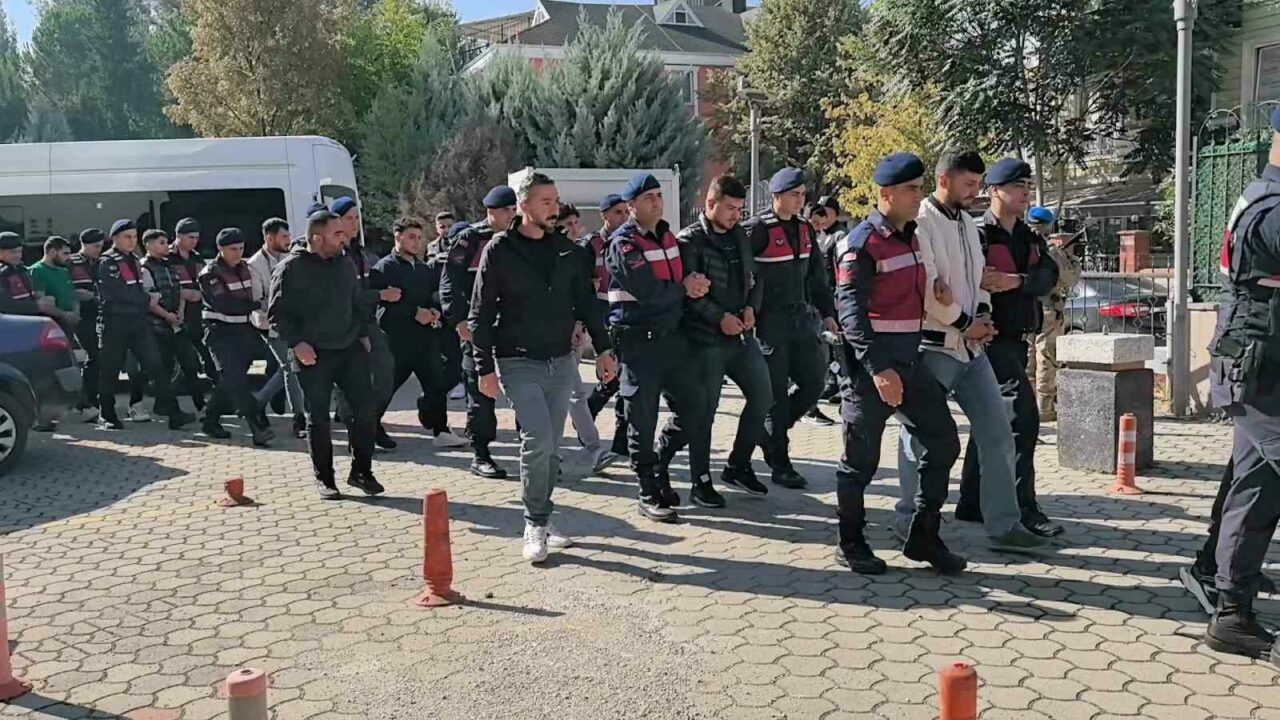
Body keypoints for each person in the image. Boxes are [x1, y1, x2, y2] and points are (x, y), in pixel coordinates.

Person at [892, 151, 1048, 554]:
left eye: (979, 185)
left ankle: (1004, 525)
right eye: (969, 185)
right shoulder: (921, 222)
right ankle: (908, 518)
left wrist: (982, 315)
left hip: (972, 347)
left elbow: (977, 280)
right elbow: (929, 290)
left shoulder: (966, 223)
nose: (975, 192)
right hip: (932, 346)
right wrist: (964, 321)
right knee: (919, 436)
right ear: (944, 180)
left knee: (998, 433)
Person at [469, 172, 616, 562]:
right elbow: (480, 314)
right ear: (524, 206)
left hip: (561, 362)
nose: (554, 208)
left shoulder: (567, 251)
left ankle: (545, 517)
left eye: (555, 200)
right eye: (545, 202)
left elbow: (587, 304)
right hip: (517, 361)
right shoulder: (499, 251)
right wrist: (484, 369)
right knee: (536, 440)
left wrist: (604, 350)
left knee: (551, 448)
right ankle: (534, 522)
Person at [833, 152, 965, 575]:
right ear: (885, 194)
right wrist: (878, 370)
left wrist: (937, 287)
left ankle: (924, 535)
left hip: (911, 360)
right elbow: (850, 316)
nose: (918, 196)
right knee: (859, 464)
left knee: (944, 441)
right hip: (872, 370)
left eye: (920, 188)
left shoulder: (912, 237)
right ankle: (851, 543)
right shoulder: (861, 244)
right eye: (911, 189)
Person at [1196, 108, 1280, 659]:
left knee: (1256, 488)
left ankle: (1232, 613)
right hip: (1261, 371)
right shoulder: (1273, 211)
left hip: (1258, 370)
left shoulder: (1261, 197)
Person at [958, 158, 1062, 538]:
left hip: (1020, 340)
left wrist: (1015, 280)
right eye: (1018, 186)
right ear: (994, 191)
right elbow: (971, 279)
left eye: (1028, 186)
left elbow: (1048, 276)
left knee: (989, 421)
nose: (1025, 193)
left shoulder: (1029, 237)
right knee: (1023, 420)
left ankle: (972, 502)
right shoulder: (978, 235)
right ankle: (1022, 509)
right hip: (989, 340)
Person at [657, 174, 773, 503]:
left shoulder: (741, 236)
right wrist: (719, 317)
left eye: (739, 209)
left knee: (763, 396)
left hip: (741, 335)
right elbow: (690, 294)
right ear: (710, 204)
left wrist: (751, 307)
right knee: (703, 412)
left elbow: (755, 278)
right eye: (730, 208)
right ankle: (699, 480)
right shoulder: (689, 241)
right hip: (704, 340)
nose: (736, 215)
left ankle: (738, 465)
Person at [605, 173, 711, 522]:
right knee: (642, 418)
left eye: (658, 195)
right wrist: (684, 288)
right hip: (639, 342)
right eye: (648, 197)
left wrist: (694, 285)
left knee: (695, 409)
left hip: (673, 339)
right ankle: (647, 489)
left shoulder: (669, 237)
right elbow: (648, 292)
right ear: (631, 206)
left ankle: (661, 462)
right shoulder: (624, 244)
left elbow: (682, 280)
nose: (656, 202)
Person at [270, 209, 381, 499]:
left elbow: (356, 301)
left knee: (365, 411)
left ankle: (361, 471)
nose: (344, 238)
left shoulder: (344, 263)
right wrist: (297, 343)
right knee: (318, 418)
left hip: (349, 348)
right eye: (337, 233)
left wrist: (363, 334)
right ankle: (325, 478)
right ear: (317, 238)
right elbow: (277, 314)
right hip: (312, 353)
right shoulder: (291, 268)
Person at [743, 168, 840, 489]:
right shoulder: (757, 229)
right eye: (794, 195)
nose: (800, 200)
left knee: (814, 383)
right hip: (769, 322)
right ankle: (780, 463)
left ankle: (769, 433)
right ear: (776, 196)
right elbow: (740, 273)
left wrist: (828, 313)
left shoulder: (805, 229)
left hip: (801, 319)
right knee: (777, 397)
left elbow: (817, 278)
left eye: (802, 195)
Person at [370, 217, 468, 448]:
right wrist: (413, 312)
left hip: (425, 339)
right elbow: (381, 309)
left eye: (419, 238)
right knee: (386, 389)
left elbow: (434, 296)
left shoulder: (424, 269)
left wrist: (435, 311)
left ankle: (441, 431)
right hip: (397, 342)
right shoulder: (384, 268)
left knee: (436, 385)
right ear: (397, 236)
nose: (416, 242)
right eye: (411, 237)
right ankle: (369, 427)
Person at [441, 186, 518, 479]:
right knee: (480, 391)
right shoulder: (470, 239)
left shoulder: (518, 239)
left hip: (512, 326)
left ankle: (535, 452)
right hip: (477, 327)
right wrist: (459, 320)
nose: (512, 215)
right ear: (491, 212)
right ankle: (481, 454)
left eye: (514, 209)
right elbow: (449, 282)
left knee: (524, 388)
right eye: (506, 210)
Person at [94, 220, 194, 431]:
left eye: (134, 236)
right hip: (115, 323)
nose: (132, 241)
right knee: (111, 369)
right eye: (127, 237)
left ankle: (173, 412)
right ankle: (107, 414)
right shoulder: (108, 262)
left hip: (138, 322)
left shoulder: (134, 260)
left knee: (156, 366)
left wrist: (146, 299)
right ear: (115, 239)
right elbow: (119, 293)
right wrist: (147, 299)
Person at [330, 196, 399, 450]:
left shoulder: (359, 252)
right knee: (350, 383)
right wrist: (379, 295)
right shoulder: (335, 254)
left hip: (366, 321)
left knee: (384, 375)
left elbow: (363, 287)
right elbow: (346, 295)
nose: (354, 223)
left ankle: (372, 424)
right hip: (344, 326)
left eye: (356, 218)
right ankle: (356, 435)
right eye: (349, 218)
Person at [197, 228, 272, 446]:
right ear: (220, 249)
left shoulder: (246, 267)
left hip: (244, 330)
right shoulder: (210, 273)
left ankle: (210, 420)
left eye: (241, 248)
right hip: (220, 332)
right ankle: (258, 426)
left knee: (230, 380)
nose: (238, 253)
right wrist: (257, 305)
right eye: (233, 249)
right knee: (237, 380)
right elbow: (225, 305)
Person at [576, 193, 632, 470]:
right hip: (602, 315)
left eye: (626, 211)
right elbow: (580, 284)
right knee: (613, 379)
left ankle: (622, 441)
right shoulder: (591, 245)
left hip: (627, 315)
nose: (624, 217)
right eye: (618, 212)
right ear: (605, 215)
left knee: (626, 379)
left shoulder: (630, 240)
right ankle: (586, 417)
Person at [132, 229, 206, 416]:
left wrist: (179, 313)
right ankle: (154, 404)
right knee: (160, 368)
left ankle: (201, 405)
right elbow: (149, 300)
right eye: (161, 243)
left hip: (175, 323)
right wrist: (167, 315)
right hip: (155, 326)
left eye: (166, 242)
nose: (167, 246)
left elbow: (178, 290)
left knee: (190, 363)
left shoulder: (169, 265)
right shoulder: (144, 268)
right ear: (148, 245)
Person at [248, 218, 307, 439]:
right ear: (269, 238)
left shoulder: (288, 256)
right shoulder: (255, 265)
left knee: (288, 367)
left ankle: (258, 402)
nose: (288, 240)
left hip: (289, 321)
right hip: (269, 323)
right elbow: (257, 300)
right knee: (291, 367)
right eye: (284, 236)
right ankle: (298, 418)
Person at [1025, 207, 1081, 421]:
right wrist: (1072, 259)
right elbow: (1071, 279)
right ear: (1049, 226)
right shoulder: (1052, 252)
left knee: (1026, 356)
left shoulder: (1019, 245)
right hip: (1048, 308)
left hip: (1024, 307)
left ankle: (1025, 406)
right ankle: (1044, 407)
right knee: (1046, 357)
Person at [170, 218, 217, 383]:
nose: (194, 241)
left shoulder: (197, 258)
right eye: (190, 237)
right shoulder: (167, 257)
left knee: (208, 353)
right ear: (178, 236)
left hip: (198, 313)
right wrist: (183, 294)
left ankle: (216, 384)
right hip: (177, 314)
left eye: (196, 237)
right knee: (186, 359)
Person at [68, 228, 105, 421]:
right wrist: (85, 296)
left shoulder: (101, 262)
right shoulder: (71, 262)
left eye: (101, 246)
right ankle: (86, 401)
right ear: (84, 245)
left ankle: (90, 399)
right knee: (94, 355)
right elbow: (67, 289)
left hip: (99, 316)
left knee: (98, 357)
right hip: (82, 317)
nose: (99, 250)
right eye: (95, 246)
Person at [27, 236, 81, 333]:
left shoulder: (64, 271)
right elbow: (41, 303)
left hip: (69, 324)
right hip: (51, 326)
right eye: (65, 253)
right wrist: (65, 315)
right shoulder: (38, 270)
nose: (69, 257)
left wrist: (76, 313)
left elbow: (72, 294)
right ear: (52, 252)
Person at [0, 232, 58, 318]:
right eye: (13, 252)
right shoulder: (3, 274)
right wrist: (37, 306)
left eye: (19, 251)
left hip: (28, 319)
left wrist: (41, 300)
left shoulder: (22, 270)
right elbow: (4, 305)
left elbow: (27, 296)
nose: (17, 255)